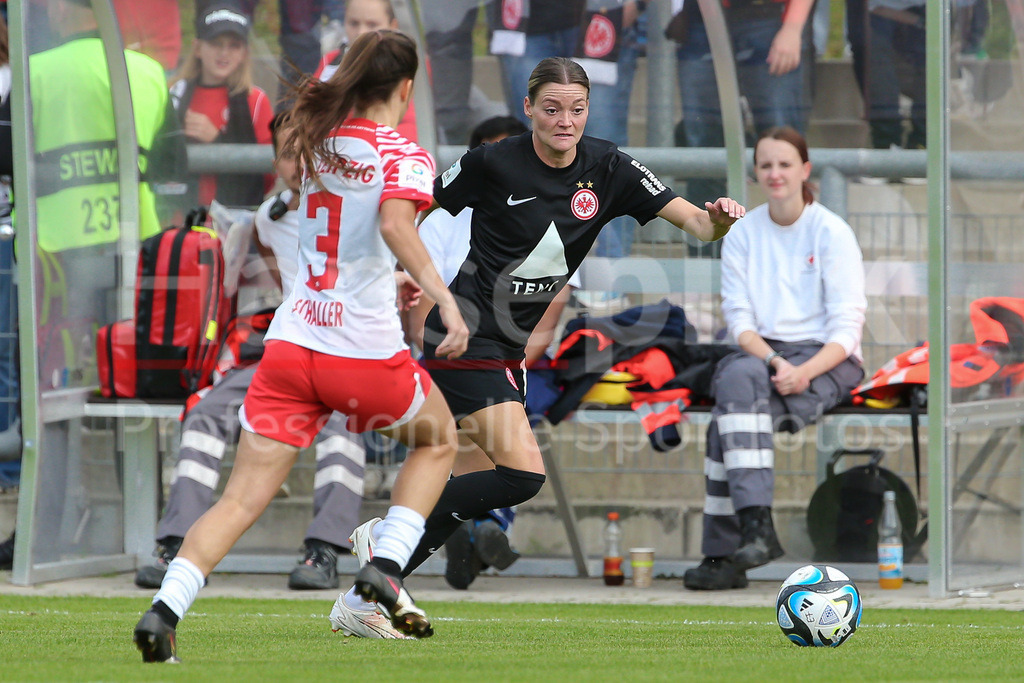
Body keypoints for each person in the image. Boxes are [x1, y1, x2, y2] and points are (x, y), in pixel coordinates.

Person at [342, 56, 744, 626]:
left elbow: (700, 226)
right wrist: (394, 274)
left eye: (576, 109)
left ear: (588, 111)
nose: (565, 121)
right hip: (463, 335)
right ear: (529, 107)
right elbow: (411, 210)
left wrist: (720, 218)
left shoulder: (610, 168)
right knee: (522, 474)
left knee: (479, 477)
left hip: (510, 350)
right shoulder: (491, 162)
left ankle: (373, 588)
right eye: (552, 109)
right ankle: (388, 542)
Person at [133, 29, 470, 662]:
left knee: (239, 499)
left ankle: (163, 612)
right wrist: (441, 298)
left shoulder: (315, 140)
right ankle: (386, 567)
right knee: (439, 440)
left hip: (290, 348)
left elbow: (342, 237)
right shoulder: (404, 153)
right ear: (405, 88)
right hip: (360, 351)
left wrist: (385, 276)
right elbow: (394, 223)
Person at [133, 112, 369, 593]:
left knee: (344, 423)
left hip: (346, 353)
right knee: (205, 412)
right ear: (275, 162)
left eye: (308, 152)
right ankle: (177, 543)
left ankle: (324, 550)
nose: (299, 165)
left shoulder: (360, 210)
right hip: (283, 354)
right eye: (288, 154)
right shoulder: (268, 218)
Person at [682, 126, 866, 591]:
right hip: (763, 357)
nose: (775, 173)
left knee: (728, 419)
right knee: (738, 385)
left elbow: (847, 330)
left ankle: (726, 553)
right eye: (765, 165)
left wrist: (803, 372)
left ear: (805, 169)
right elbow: (739, 318)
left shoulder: (832, 232)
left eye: (785, 164)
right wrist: (777, 364)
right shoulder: (743, 232)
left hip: (826, 359)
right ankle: (755, 532)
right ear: (756, 173)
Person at [405, 114, 580, 591]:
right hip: (451, 355)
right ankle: (484, 528)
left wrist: (504, 361)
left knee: (488, 421)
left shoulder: (553, 217)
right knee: (470, 420)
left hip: (523, 362)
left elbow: (550, 311)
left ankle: (448, 536)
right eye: (491, 154)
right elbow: (421, 311)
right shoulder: (446, 221)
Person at [668, 0, 814, 253]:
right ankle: (706, 261)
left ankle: (795, 254)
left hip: (768, 14)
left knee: (783, 147)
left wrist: (792, 27)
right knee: (703, 148)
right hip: (703, 15)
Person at [170, 2, 274, 209]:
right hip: (181, 215)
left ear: (244, 53)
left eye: (234, 45)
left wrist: (218, 140)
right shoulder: (175, 94)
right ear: (197, 48)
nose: (224, 53)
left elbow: (268, 175)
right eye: (215, 43)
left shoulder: (255, 100)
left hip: (235, 217)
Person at [312, 0, 418, 142]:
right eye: (354, 23)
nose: (361, 32)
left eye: (372, 24)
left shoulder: (404, 64)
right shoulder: (330, 62)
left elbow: (414, 125)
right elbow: (308, 111)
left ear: (393, 26)